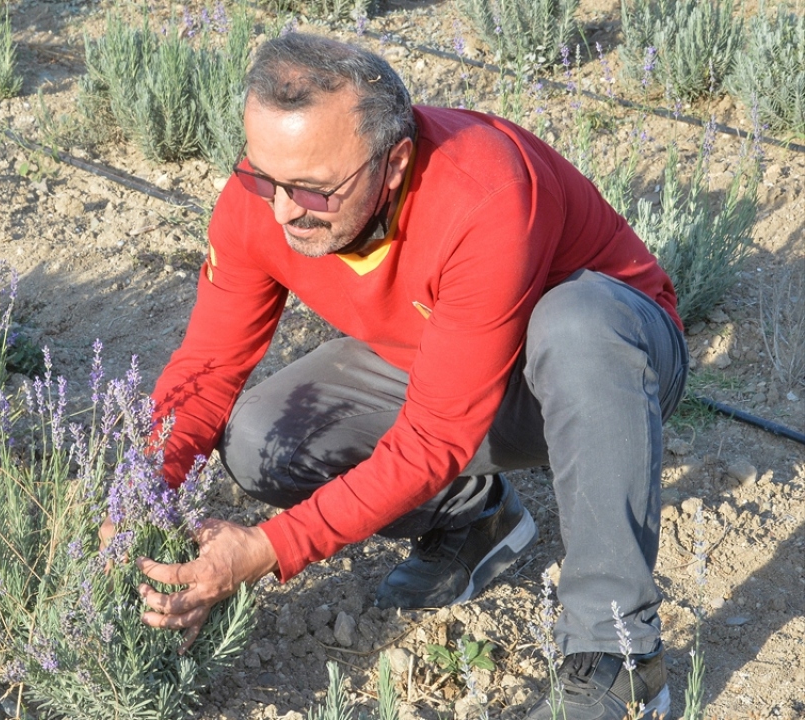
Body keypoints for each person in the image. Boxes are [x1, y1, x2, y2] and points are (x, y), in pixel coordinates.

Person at [129, 33, 687, 720]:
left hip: (605, 362)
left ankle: (618, 660)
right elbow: (208, 368)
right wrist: (134, 497)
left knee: (575, 321)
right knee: (260, 439)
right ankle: (476, 518)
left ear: (392, 164)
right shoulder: (267, 196)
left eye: (312, 189)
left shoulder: (482, 192)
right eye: (264, 177)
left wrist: (270, 548)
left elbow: (435, 436)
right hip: (438, 360)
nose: (282, 211)